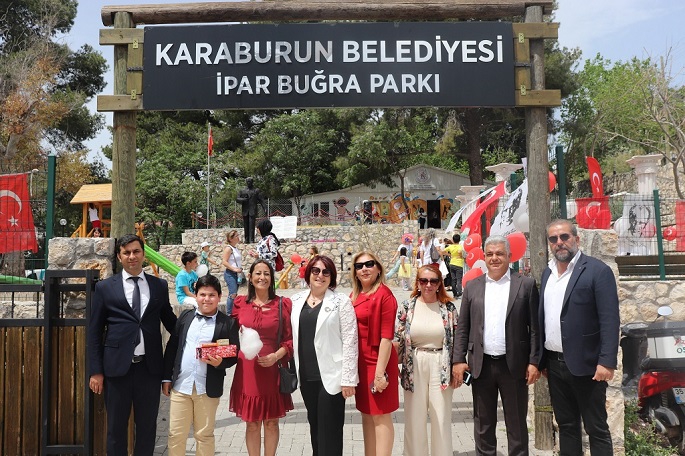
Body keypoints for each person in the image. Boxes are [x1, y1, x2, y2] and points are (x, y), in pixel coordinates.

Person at [87, 234, 177, 455]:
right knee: (116, 431)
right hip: (117, 371)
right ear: (119, 256)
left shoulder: (159, 286)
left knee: (147, 429)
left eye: (136, 251)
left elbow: (172, 324)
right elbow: (94, 332)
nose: (132, 256)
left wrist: (200, 328)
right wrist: (96, 371)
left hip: (149, 369)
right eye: (126, 252)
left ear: (144, 254)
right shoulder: (105, 288)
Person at [452, 235, 541, 456]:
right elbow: (463, 327)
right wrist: (458, 360)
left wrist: (534, 361)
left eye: (500, 253)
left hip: (514, 367)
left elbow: (536, 328)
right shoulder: (472, 287)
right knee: (483, 426)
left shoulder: (525, 285)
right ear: (484, 256)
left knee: (517, 425)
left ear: (510, 256)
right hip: (481, 367)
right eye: (490, 254)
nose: (494, 258)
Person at [539, 219, 620, 456]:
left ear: (577, 238)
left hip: (588, 366)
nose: (559, 243)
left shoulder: (597, 271)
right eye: (553, 239)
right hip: (555, 365)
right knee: (567, 427)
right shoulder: (548, 273)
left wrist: (606, 361)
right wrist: (543, 360)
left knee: (596, 428)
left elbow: (609, 319)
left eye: (564, 237)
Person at [162, 274, 240, 456]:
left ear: (219, 297)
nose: (207, 299)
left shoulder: (227, 323)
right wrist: (166, 377)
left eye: (212, 295)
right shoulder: (185, 317)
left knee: (204, 435)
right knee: (176, 434)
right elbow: (172, 347)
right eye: (203, 294)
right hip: (181, 386)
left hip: (207, 388)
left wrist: (221, 362)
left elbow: (234, 353)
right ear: (196, 296)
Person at [291, 255, 359, 456]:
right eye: (316, 271)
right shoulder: (295, 301)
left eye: (326, 272)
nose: (320, 275)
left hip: (332, 377)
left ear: (332, 276)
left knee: (331, 431)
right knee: (316, 430)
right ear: (308, 273)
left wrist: (348, 379)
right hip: (306, 376)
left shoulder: (341, 302)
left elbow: (350, 340)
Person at [229, 259, 294, 456]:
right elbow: (229, 334)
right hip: (247, 370)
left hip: (273, 369)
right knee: (252, 424)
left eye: (266, 274)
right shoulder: (240, 303)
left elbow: (290, 341)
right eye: (258, 273)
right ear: (250, 277)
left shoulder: (282, 304)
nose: (262, 277)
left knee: (272, 423)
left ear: (271, 278)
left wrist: (276, 356)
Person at [394, 265, 457, 456]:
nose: (428, 285)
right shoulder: (407, 306)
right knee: (414, 418)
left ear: (439, 284)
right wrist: (392, 366)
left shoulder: (448, 308)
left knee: (441, 416)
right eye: (424, 281)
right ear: (418, 283)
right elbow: (398, 338)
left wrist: (459, 367)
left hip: (441, 363)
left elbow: (458, 338)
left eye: (433, 281)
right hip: (414, 363)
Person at [350, 251, 399, 456]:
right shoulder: (355, 294)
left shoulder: (384, 295)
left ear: (378, 268)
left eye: (369, 264)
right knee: (367, 414)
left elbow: (387, 338)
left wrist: (379, 374)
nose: (364, 269)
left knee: (380, 416)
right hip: (360, 362)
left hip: (379, 361)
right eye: (359, 266)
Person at [236, 177, 266, 244]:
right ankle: (246, 240)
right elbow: (237, 199)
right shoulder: (242, 191)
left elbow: (261, 200)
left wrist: (265, 208)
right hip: (245, 211)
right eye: (247, 181)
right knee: (246, 226)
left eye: (250, 181)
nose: (248, 183)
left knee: (252, 226)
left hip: (253, 210)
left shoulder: (256, 191)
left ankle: (251, 240)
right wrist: (243, 200)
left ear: (252, 182)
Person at [222, 230, 243, 315]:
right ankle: (229, 313)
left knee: (235, 293)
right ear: (231, 239)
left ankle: (233, 311)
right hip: (230, 273)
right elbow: (224, 261)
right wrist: (234, 269)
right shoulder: (228, 248)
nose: (238, 237)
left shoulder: (235, 248)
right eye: (236, 236)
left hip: (237, 274)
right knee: (232, 293)